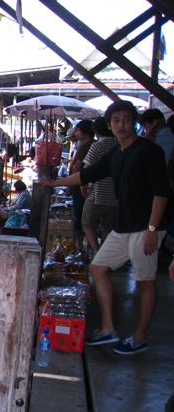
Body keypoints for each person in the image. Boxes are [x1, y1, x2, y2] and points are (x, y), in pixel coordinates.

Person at [40, 100, 170, 355]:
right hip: (123, 226)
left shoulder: (149, 151)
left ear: (135, 122)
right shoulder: (116, 154)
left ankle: (140, 336)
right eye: (116, 121)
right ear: (109, 125)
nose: (122, 125)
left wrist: (153, 231)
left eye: (126, 119)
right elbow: (87, 176)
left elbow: (162, 193)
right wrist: (55, 183)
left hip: (146, 227)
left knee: (145, 282)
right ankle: (108, 328)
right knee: (98, 268)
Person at [81, 117, 119, 254]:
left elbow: (86, 170)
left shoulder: (98, 145)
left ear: (96, 130)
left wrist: (83, 186)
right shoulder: (119, 144)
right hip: (115, 195)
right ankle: (104, 252)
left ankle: (97, 251)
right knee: (107, 227)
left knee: (87, 224)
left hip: (97, 193)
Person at [68, 120, 95, 248]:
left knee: (80, 217)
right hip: (85, 185)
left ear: (85, 131)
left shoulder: (86, 146)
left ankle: (81, 247)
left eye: (78, 130)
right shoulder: (86, 144)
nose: (76, 133)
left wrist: (70, 185)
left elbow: (76, 168)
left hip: (81, 186)